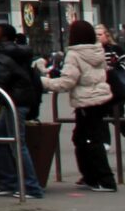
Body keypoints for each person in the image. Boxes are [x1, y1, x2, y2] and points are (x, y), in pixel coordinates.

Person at [40, 18, 117, 191]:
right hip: (100, 97)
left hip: (86, 101)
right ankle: (91, 176)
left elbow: (67, 82)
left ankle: (104, 179)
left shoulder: (74, 54)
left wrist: (43, 82)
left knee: (90, 140)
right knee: (83, 138)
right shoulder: (97, 50)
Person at [0, 22, 44, 199]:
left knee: (17, 143)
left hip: (15, 102)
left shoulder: (3, 55)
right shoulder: (17, 52)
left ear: (3, 37)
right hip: (15, 101)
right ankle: (9, 182)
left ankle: (31, 186)